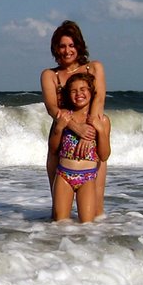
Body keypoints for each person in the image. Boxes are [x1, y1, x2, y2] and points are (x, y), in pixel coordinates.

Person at [39, 20, 107, 217]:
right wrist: (76, 128)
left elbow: (100, 99)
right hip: (62, 136)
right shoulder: (50, 75)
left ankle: (95, 241)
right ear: (55, 49)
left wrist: (89, 133)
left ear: (79, 45)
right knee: (58, 212)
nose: (67, 50)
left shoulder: (94, 68)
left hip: (91, 133)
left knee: (95, 211)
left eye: (71, 45)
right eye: (62, 46)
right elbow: (52, 108)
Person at [49, 71, 111, 222]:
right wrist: (59, 128)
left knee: (87, 225)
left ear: (91, 92)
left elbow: (104, 155)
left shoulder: (101, 121)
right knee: (60, 223)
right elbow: (53, 149)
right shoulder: (65, 117)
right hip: (64, 175)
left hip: (88, 177)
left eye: (83, 89)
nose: (79, 94)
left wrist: (101, 131)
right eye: (73, 91)